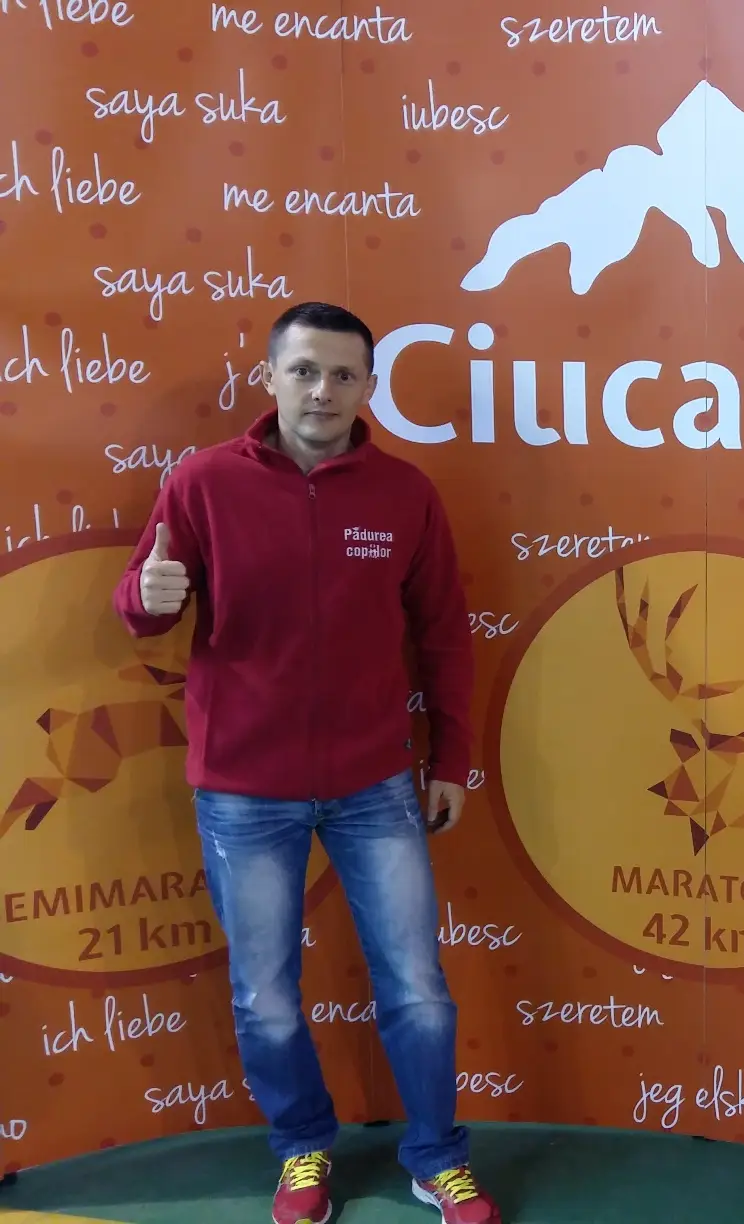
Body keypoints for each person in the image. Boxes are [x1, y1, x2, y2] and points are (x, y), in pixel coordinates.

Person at [112, 302, 500, 1224]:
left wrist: (452, 758)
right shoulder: (202, 482)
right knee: (266, 998)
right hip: (243, 790)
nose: (322, 390)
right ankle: (301, 1152)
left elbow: (444, 634)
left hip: (375, 784)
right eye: (304, 371)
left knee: (418, 988)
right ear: (271, 378)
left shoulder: (406, 494)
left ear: (367, 387)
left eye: (342, 375)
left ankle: (437, 1158)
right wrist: (145, 595)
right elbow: (143, 605)